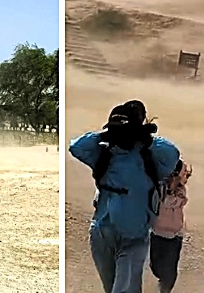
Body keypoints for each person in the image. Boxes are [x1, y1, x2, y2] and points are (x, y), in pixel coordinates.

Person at [70, 100, 180, 293]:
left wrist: (145, 137)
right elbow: (76, 147)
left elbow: (173, 155)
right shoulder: (104, 152)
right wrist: (105, 134)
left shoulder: (150, 155)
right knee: (111, 286)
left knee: (124, 290)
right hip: (102, 232)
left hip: (134, 236)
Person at [149, 158, 191, 293]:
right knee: (155, 266)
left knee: (170, 271)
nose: (186, 178)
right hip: (157, 234)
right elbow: (164, 203)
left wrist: (174, 187)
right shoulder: (159, 189)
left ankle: (165, 289)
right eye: (184, 175)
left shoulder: (181, 191)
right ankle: (162, 281)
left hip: (174, 237)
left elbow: (176, 202)